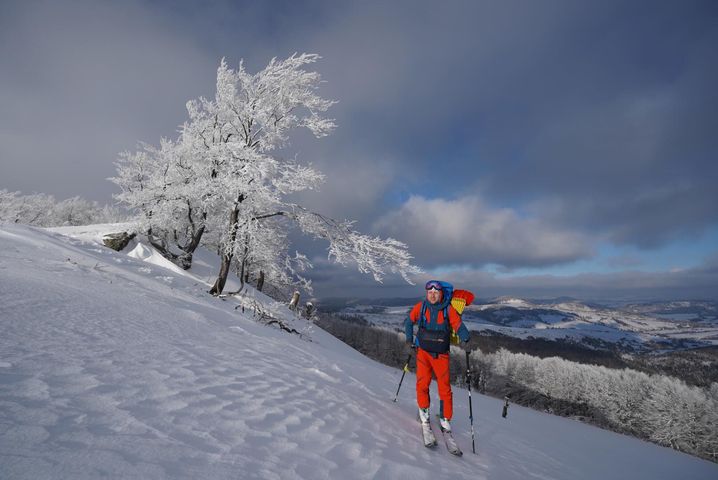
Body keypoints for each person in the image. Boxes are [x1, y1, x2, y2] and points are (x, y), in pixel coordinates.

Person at [404, 280, 471, 433]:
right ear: (426, 293)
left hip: (441, 355)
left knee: (444, 388)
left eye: (435, 293)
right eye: (430, 293)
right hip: (422, 352)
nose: (432, 295)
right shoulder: (421, 307)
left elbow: (458, 325)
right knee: (422, 384)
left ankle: (445, 418)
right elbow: (409, 322)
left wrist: (466, 339)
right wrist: (408, 341)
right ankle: (424, 411)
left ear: (441, 294)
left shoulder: (448, 309)